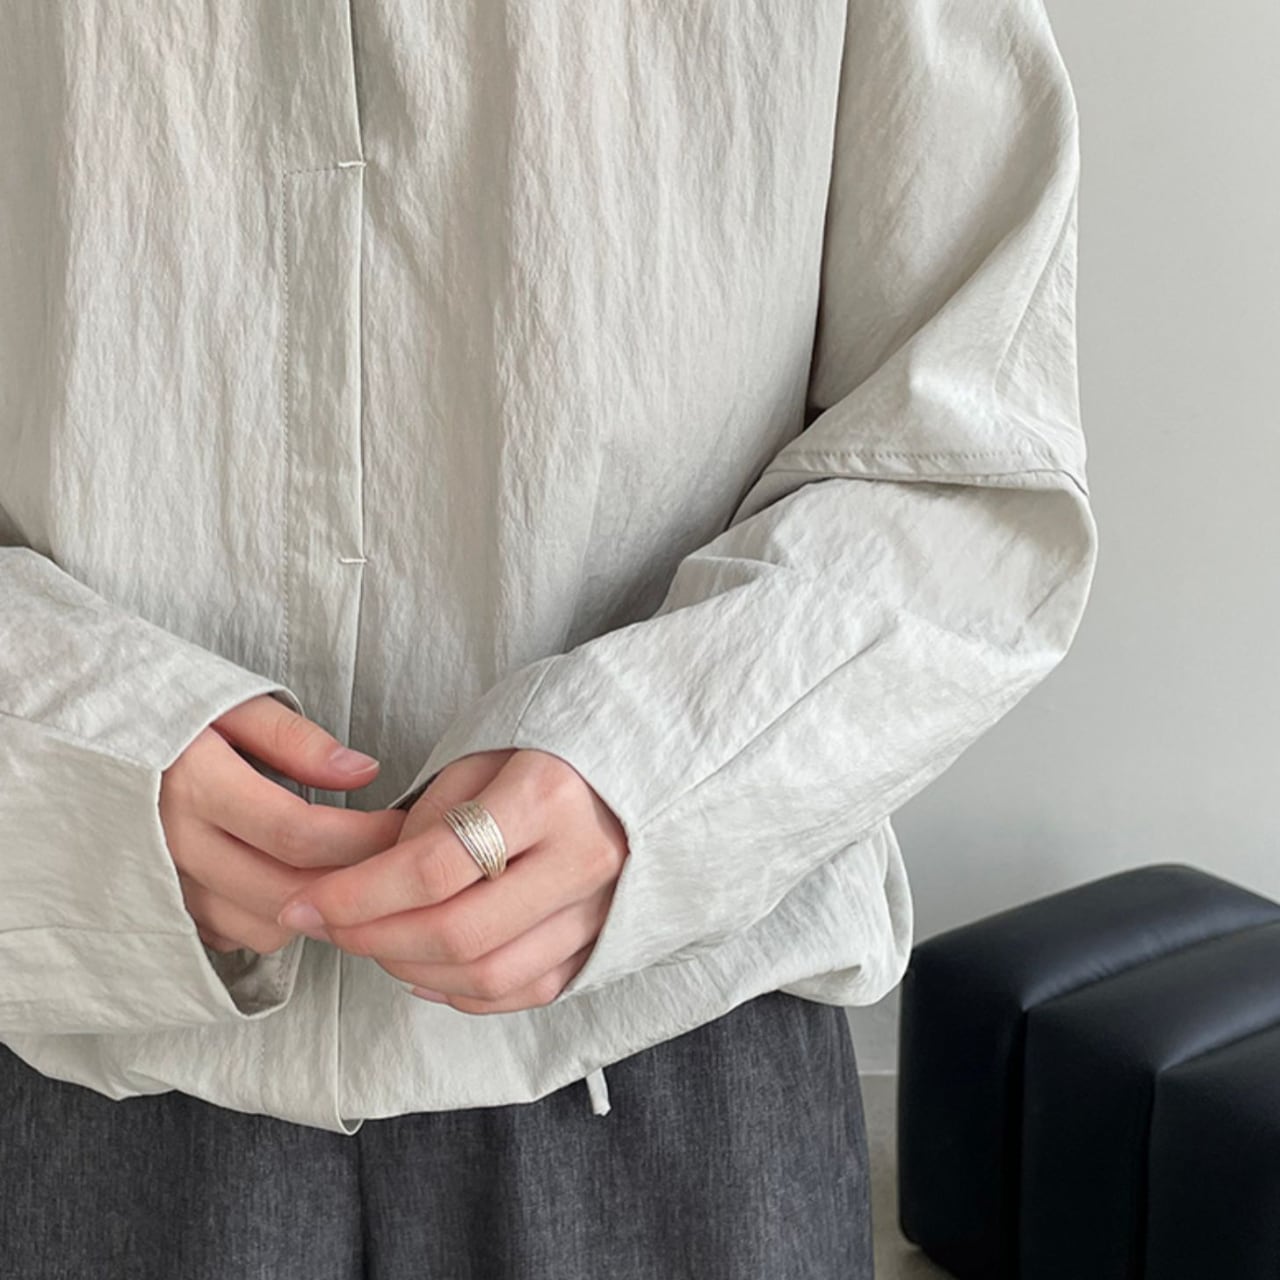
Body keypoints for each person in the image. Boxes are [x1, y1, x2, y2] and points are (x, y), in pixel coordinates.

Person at [0, 1, 1096, 1276]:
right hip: (73, 1005)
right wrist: (59, 741)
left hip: (673, 1030)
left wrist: (656, 765)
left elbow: (966, 455)